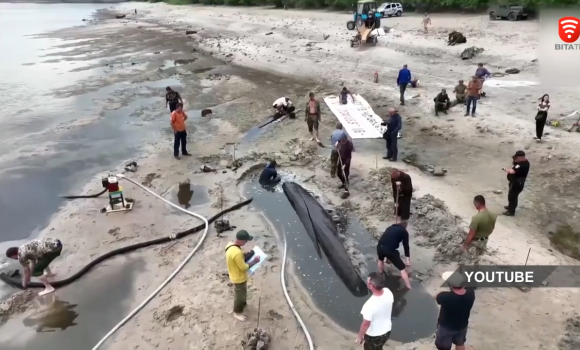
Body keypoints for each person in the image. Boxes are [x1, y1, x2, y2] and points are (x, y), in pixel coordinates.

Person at [225, 230, 261, 322]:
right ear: (241, 241)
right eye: (245, 241)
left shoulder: (230, 245)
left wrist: (244, 256)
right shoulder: (237, 253)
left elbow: (237, 258)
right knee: (239, 296)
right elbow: (244, 267)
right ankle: (237, 313)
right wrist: (254, 261)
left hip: (233, 273)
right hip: (238, 278)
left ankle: (243, 304)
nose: (246, 242)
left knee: (243, 292)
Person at [435, 271, 475, 350]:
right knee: (460, 343)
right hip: (462, 325)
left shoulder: (445, 297)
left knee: (443, 348)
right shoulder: (470, 293)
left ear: (450, 285)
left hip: (446, 327)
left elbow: (437, 298)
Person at [356, 272, 394, 349]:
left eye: (368, 282)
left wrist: (360, 336)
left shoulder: (369, 305)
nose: (366, 283)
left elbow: (365, 324)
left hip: (374, 335)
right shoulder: (388, 292)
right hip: (387, 331)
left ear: (372, 286)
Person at [377, 223, 412, 289]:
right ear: (405, 226)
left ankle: (380, 274)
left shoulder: (389, 228)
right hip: (389, 250)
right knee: (402, 268)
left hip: (380, 246)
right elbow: (406, 246)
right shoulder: (404, 231)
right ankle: (409, 286)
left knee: (380, 260)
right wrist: (407, 261)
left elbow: (387, 239)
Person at [461, 195, 497, 260]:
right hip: (485, 240)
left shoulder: (476, 218)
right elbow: (492, 227)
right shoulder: (493, 215)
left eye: (474, 204)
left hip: (477, 242)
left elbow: (471, 234)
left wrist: (464, 245)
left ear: (477, 204)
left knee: (470, 259)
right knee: (479, 256)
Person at [503, 150, 530, 216]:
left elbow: (512, 171)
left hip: (517, 184)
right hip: (515, 182)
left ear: (521, 157)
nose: (516, 158)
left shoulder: (523, 165)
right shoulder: (523, 162)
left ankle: (511, 211)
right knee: (511, 196)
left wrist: (506, 169)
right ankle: (510, 207)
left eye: (517, 157)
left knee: (513, 197)